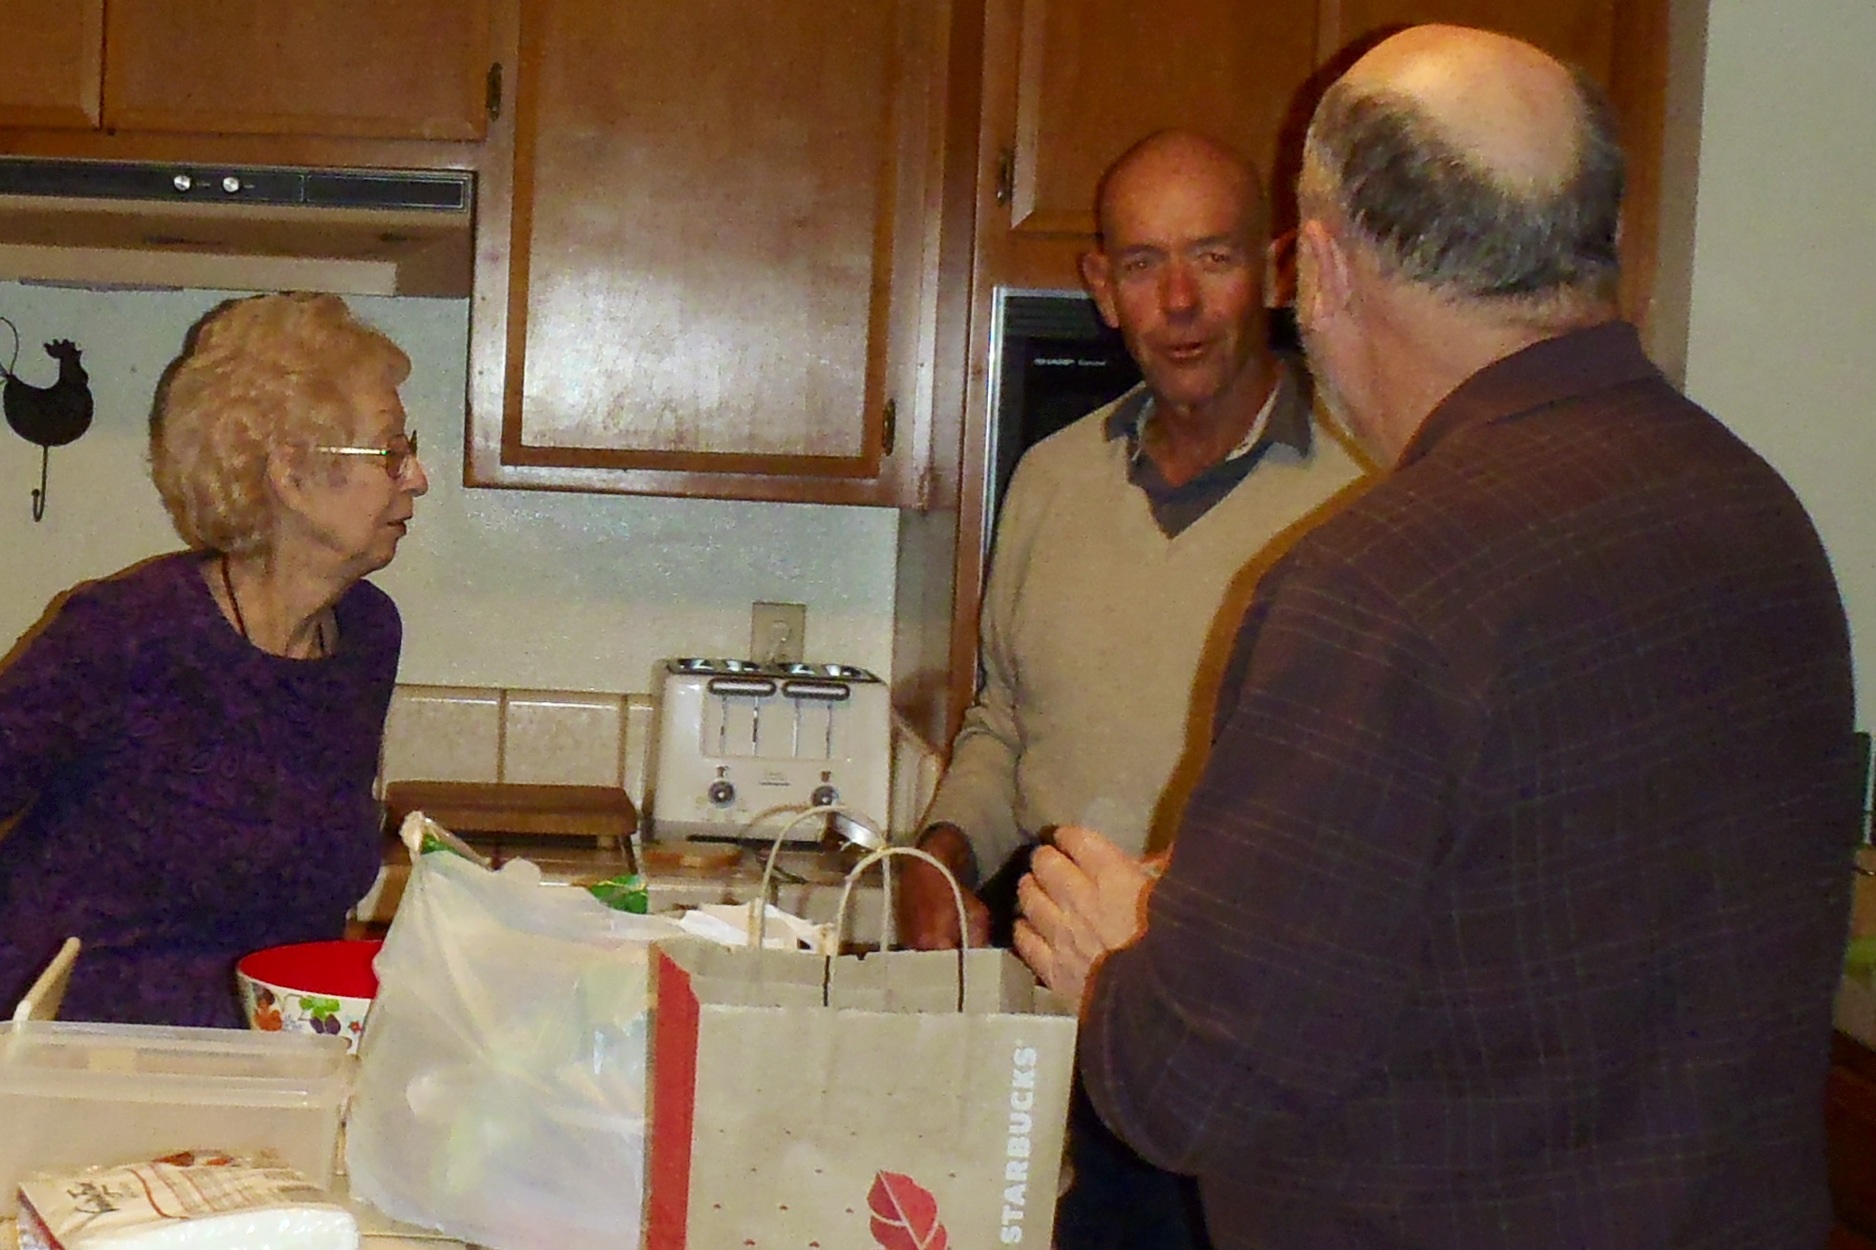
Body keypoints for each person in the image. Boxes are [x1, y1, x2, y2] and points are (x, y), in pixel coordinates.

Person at [1014, 24, 1861, 1250]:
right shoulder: (1755, 514)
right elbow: (1532, 921)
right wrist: (1223, 905)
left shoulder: (1377, 584)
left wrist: (1114, 961)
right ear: (1598, 242)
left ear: (1321, 268)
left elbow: (1194, 1089)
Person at [898, 130, 1367, 1249]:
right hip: (1057, 1034)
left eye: (1213, 257)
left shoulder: (1366, 489)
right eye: (1145, 263)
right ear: (1102, 288)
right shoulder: (1051, 480)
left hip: (1251, 1047)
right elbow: (1005, 718)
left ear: (1278, 270)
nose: (1180, 301)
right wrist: (942, 852)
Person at [0, 291, 429, 1028]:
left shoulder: (364, 635)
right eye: (391, 452)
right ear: (290, 474)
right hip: (78, 1055)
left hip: (263, 1058)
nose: (416, 476)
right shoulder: (127, 631)